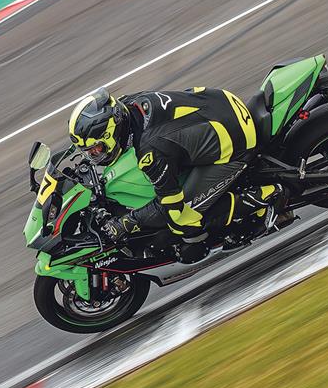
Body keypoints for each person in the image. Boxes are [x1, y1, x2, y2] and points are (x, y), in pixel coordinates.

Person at [68, 86, 288, 263]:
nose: (95, 156)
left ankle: (267, 196)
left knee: (183, 218)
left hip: (236, 142)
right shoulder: (127, 106)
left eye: (97, 149)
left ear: (110, 132)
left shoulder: (150, 151)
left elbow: (168, 205)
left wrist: (126, 222)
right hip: (219, 104)